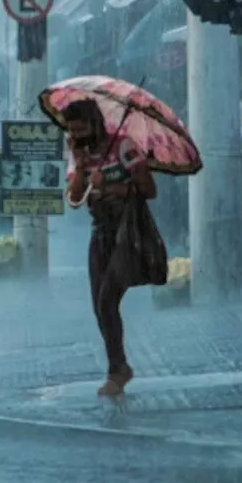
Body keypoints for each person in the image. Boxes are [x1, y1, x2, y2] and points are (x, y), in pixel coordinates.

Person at [63, 99, 157, 398]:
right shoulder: (81, 155)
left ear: (95, 124)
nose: (76, 136)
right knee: (99, 306)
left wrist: (110, 186)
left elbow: (148, 190)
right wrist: (80, 166)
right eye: (71, 131)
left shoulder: (123, 147)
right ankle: (118, 366)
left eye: (81, 129)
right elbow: (74, 199)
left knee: (107, 301)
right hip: (100, 231)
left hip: (127, 232)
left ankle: (117, 370)